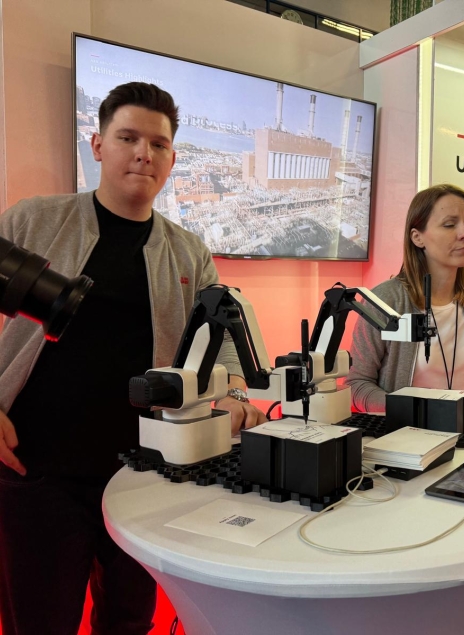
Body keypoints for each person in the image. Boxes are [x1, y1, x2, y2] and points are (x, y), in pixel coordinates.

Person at [0, 82, 265, 635]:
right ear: (97, 145)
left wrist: (237, 397)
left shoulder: (188, 251)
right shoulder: (34, 220)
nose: (144, 153)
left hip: (144, 473)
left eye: (159, 144)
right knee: (39, 621)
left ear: (172, 159)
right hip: (35, 473)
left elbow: (224, 335)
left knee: (128, 620)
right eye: (127, 138)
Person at [346, 183, 464, 424]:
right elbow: (357, 384)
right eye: (450, 224)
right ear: (417, 237)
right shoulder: (385, 301)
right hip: (406, 439)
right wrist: (415, 411)